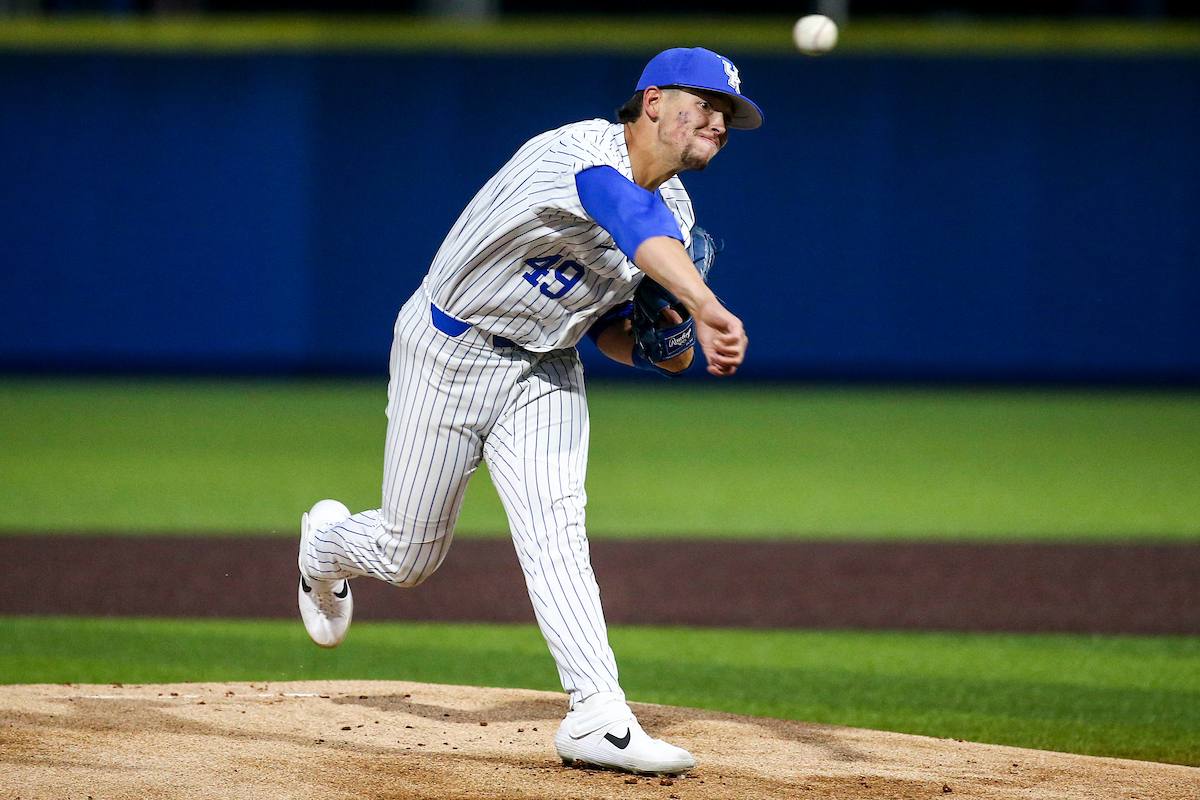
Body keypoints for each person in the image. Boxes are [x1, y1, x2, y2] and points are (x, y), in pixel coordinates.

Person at [296, 46, 761, 776]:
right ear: (650, 102)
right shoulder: (578, 152)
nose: (718, 120)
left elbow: (611, 330)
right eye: (703, 103)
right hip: (448, 350)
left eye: (727, 112)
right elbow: (624, 212)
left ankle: (597, 715)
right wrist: (703, 304)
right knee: (409, 556)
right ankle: (325, 547)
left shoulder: (676, 212)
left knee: (556, 531)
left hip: (544, 369)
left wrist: (662, 342)